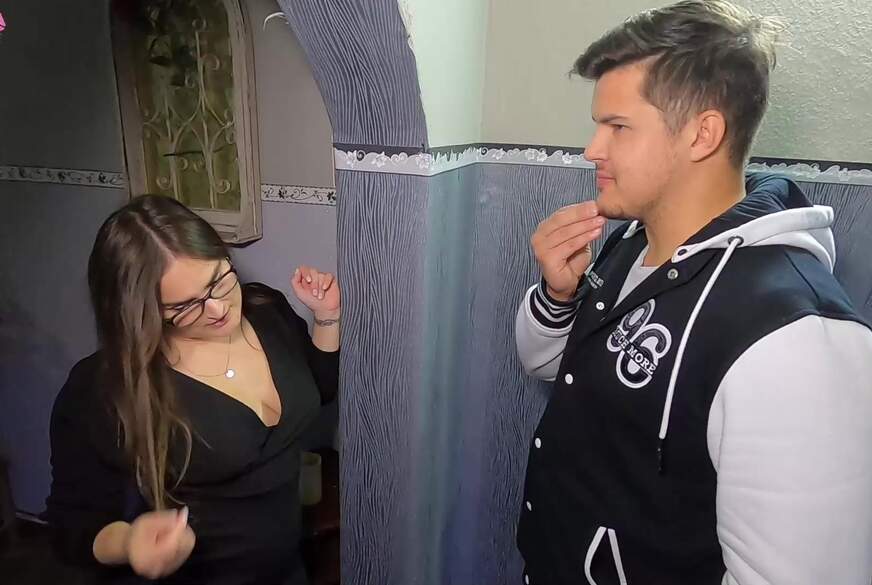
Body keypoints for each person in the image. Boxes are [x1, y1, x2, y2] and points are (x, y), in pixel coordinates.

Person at [514, 1, 872, 584]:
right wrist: (559, 297)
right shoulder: (633, 241)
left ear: (703, 134)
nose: (592, 149)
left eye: (618, 127)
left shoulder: (799, 343)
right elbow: (552, 365)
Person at [47, 194, 341, 584]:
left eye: (218, 280)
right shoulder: (104, 388)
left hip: (287, 571)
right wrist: (130, 543)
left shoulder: (267, 310)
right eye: (186, 306)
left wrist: (327, 317)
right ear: (143, 313)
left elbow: (318, 389)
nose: (218, 309)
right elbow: (71, 523)